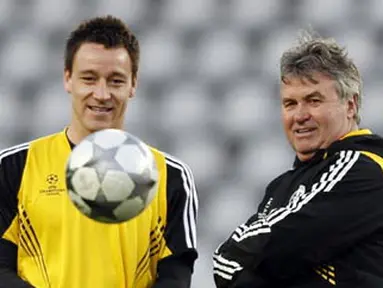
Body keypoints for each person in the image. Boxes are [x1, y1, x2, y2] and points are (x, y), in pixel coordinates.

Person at [0, 15, 198, 288]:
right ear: (68, 79)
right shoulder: (14, 167)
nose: (102, 94)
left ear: (133, 84)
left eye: (116, 80)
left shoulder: (170, 176)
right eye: (89, 79)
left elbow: (175, 274)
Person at [213, 31, 383, 287]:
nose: (300, 115)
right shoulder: (281, 186)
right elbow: (224, 263)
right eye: (290, 104)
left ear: (350, 105)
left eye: (313, 100)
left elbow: (280, 246)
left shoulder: (363, 168)